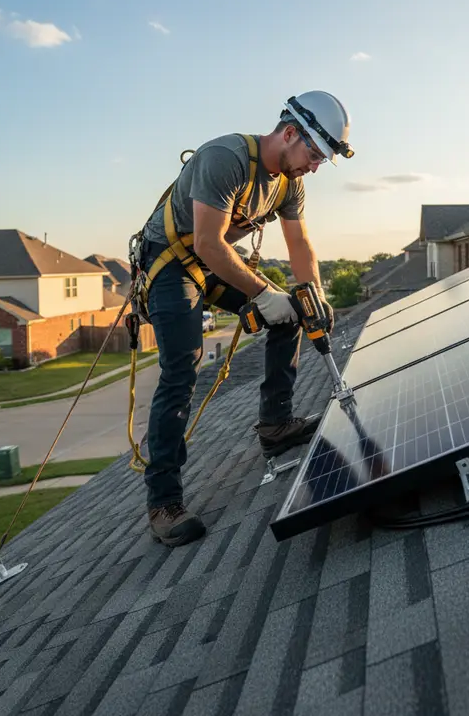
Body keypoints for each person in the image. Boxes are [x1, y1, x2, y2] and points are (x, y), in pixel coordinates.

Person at [137, 91, 354, 547]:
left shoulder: (289, 182)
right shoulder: (226, 158)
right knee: (183, 365)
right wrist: (262, 293)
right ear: (289, 133)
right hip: (172, 260)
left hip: (209, 256)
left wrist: (310, 293)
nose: (314, 166)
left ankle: (275, 425)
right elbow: (208, 244)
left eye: (321, 160)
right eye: (313, 154)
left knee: (292, 312)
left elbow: (299, 246)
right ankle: (163, 503)